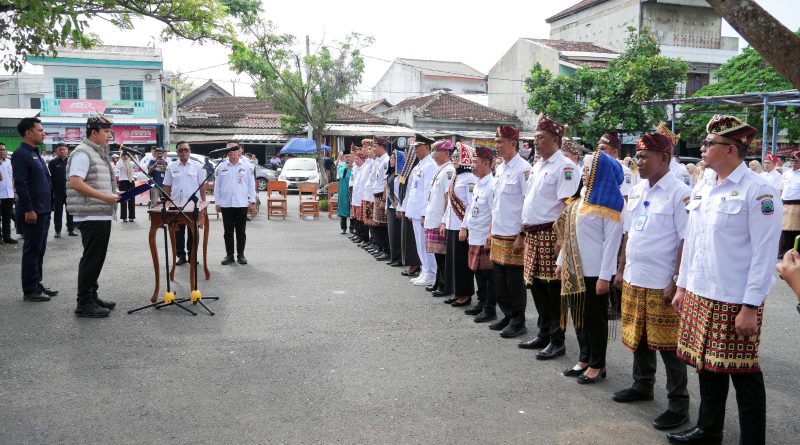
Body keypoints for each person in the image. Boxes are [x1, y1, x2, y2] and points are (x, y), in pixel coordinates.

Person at [667, 115, 782, 445]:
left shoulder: (759, 191)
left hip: (735, 298)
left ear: (731, 150)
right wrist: (684, 285)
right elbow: (694, 240)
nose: (702, 149)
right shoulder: (704, 184)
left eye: (709, 144)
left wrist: (750, 305)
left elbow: (764, 255)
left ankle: (752, 439)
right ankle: (708, 429)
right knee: (706, 365)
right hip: (702, 292)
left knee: (743, 372)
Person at [611, 131, 692, 431]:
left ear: (665, 159)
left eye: (645, 157)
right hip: (635, 277)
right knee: (640, 337)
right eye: (639, 156)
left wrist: (676, 278)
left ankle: (678, 405)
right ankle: (642, 385)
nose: (639, 161)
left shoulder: (680, 193)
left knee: (670, 346)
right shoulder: (638, 189)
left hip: (662, 282)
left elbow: (686, 240)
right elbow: (629, 233)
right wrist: (621, 268)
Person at [554, 150, 623, 384]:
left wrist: (605, 276)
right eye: (584, 170)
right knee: (579, 318)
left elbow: (612, 243)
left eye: (589, 170)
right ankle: (584, 358)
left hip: (595, 273)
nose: (584, 174)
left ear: (600, 172)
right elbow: (569, 234)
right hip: (574, 268)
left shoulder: (611, 202)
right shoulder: (581, 196)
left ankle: (597, 364)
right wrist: (561, 262)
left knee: (595, 319)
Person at [519, 116, 580, 353]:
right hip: (533, 235)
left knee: (554, 291)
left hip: (549, 235)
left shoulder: (565, 167)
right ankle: (543, 334)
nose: (536, 142)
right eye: (535, 137)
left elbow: (568, 207)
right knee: (536, 287)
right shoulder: (538, 165)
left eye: (540, 137)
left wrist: (560, 241)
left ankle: (557, 340)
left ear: (555, 139)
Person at [66, 114, 119, 317]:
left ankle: (91, 295)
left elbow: (95, 181)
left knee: (97, 258)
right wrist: (106, 198)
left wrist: (113, 195)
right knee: (92, 258)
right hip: (91, 214)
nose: (109, 135)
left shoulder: (97, 152)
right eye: (106, 131)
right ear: (94, 132)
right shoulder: (83, 153)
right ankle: (84, 303)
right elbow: (76, 182)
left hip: (99, 212)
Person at [488, 125, 531, 338]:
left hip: (514, 234)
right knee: (499, 280)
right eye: (496, 142)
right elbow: (496, 202)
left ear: (512, 144)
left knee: (514, 281)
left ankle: (518, 320)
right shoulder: (501, 168)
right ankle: (506, 314)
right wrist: (490, 230)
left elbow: (527, 203)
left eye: (500, 142)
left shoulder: (524, 169)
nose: (497, 146)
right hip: (498, 231)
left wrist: (522, 234)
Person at [11, 117, 57, 302]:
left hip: (43, 209)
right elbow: (21, 184)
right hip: (33, 211)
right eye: (40, 130)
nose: (43, 133)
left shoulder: (35, 153)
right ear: (28, 132)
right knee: (32, 249)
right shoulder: (21, 154)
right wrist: (28, 209)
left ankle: (36, 282)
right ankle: (29, 289)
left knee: (39, 249)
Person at [462, 146, 497, 322]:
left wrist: (490, 234)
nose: (472, 165)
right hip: (475, 235)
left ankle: (490, 308)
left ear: (486, 163)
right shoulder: (478, 184)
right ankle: (481, 303)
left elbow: (494, 213)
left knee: (488, 275)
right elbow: (472, 208)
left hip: (484, 236)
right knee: (478, 273)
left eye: (475, 162)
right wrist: (466, 227)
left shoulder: (492, 185)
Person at [441, 142, 477, 307]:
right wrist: (443, 222)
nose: (454, 159)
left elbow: (470, 205)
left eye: (457, 156)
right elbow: (449, 202)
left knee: (462, 262)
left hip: (461, 226)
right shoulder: (456, 176)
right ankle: (456, 292)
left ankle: (465, 294)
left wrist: (464, 227)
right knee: (452, 262)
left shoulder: (470, 178)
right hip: (451, 224)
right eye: (453, 156)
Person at [163, 141, 207, 265]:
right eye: (180, 150)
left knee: (193, 232)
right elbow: (167, 186)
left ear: (190, 151)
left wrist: (203, 204)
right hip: (176, 205)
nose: (183, 152)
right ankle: (180, 256)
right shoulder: (171, 167)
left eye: (186, 150)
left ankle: (192, 256)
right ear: (177, 152)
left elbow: (202, 186)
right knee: (178, 232)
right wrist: (167, 201)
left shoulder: (197, 166)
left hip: (193, 205)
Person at [404, 135, 438, 287]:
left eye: (418, 147)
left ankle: (431, 273)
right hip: (416, 210)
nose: (415, 150)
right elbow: (413, 190)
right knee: (419, 243)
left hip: (422, 211)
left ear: (426, 147)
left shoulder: (430, 165)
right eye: (415, 147)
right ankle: (425, 270)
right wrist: (410, 211)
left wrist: (424, 213)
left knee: (426, 244)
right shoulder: (420, 165)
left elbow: (427, 192)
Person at [214, 146, 256, 265]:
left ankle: (241, 255)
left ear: (239, 153)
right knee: (228, 231)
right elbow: (217, 186)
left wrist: (252, 200)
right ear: (227, 154)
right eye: (230, 152)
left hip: (241, 203)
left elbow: (251, 184)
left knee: (241, 231)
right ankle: (229, 255)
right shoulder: (221, 166)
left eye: (234, 152)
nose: (232, 154)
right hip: (226, 203)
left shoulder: (247, 166)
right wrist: (217, 202)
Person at [425, 139, 456, 297]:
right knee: (437, 254)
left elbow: (447, 197)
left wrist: (444, 219)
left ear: (445, 153)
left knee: (442, 254)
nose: (434, 155)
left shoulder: (449, 170)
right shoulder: (440, 169)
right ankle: (439, 281)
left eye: (436, 152)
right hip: (433, 216)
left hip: (439, 219)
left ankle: (445, 285)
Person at [397, 139, 421, 277]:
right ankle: (411, 264)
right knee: (407, 239)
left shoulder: (415, 169)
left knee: (412, 240)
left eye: (409, 152)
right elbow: (402, 190)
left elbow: (410, 191)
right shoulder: (408, 169)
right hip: (406, 207)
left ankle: (415, 265)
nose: (406, 155)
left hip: (412, 209)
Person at [48, 143, 76, 237]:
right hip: (58, 192)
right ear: (56, 151)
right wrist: (52, 191)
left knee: (71, 211)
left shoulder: (72, 161)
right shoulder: (52, 163)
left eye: (64, 149)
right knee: (58, 213)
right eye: (60, 149)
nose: (62, 151)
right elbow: (50, 178)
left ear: (67, 150)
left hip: (70, 191)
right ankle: (57, 231)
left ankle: (71, 229)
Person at [370, 137, 391, 261]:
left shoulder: (386, 161)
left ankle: (386, 250)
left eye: (375, 146)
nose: (373, 149)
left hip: (381, 196)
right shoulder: (379, 161)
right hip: (376, 194)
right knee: (377, 224)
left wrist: (384, 199)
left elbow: (385, 183)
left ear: (382, 147)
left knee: (382, 225)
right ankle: (381, 248)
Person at [598, 131, 636, 198]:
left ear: (614, 152)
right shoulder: (597, 168)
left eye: (602, 149)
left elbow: (626, 198)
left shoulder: (624, 171)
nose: (598, 152)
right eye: (597, 149)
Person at [385, 150, 404, 265]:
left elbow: (401, 193)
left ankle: (398, 258)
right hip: (391, 206)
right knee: (391, 234)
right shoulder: (391, 173)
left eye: (394, 159)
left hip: (397, 207)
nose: (391, 160)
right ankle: (394, 257)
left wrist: (399, 208)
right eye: (391, 158)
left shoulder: (400, 175)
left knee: (396, 234)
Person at [780, 151, 800, 255]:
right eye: (792, 160)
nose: (793, 162)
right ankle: (785, 252)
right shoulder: (786, 173)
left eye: (796, 160)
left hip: (798, 204)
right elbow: (782, 189)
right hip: (785, 204)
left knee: (797, 229)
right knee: (785, 229)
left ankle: (797, 252)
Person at [0, 143, 17, 244]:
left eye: (3, 149)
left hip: (9, 193)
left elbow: (13, 177)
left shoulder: (9, 163)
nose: (2, 151)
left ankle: (7, 236)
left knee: (7, 216)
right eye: (0, 149)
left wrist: (14, 191)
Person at [117, 152, 137, 222]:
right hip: (122, 181)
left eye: (126, 155)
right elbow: (118, 167)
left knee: (132, 199)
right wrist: (121, 159)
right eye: (123, 155)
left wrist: (132, 157)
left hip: (131, 181)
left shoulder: (131, 163)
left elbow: (138, 165)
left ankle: (131, 217)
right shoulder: (120, 162)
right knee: (123, 199)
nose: (125, 157)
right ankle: (124, 217)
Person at [337, 154, 353, 234]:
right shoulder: (341, 166)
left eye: (349, 157)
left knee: (353, 207)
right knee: (343, 207)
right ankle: (343, 227)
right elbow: (340, 174)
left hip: (352, 189)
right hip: (343, 189)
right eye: (346, 157)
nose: (348, 158)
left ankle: (352, 227)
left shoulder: (355, 165)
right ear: (343, 158)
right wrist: (346, 168)